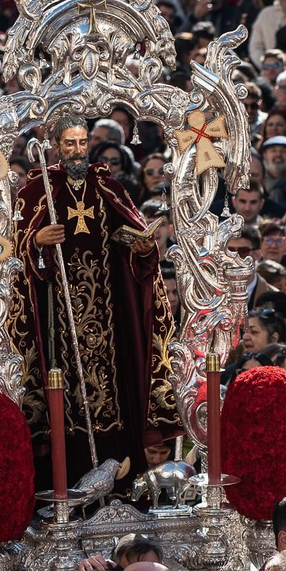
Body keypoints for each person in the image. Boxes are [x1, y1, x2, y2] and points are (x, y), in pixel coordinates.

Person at [14, 115, 181, 483]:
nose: (76, 151)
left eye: (81, 143)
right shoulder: (37, 190)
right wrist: (37, 243)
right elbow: (16, 253)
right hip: (57, 321)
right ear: (56, 146)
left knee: (116, 396)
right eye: (68, 144)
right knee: (64, 402)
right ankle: (68, 486)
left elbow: (136, 240)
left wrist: (139, 246)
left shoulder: (109, 187)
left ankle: (118, 485)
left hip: (111, 324)